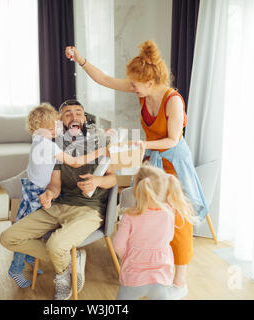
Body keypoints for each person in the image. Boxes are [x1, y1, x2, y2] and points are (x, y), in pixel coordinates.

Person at [66, 40, 208, 299]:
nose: (131, 88)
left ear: (150, 83)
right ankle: (153, 273)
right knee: (152, 216)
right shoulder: (141, 87)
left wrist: (143, 144)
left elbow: (173, 140)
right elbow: (106, 80)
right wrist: (80, 59)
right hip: (153, 161)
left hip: (175, 162)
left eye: (135, 85)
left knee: (179, 221)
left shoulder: (173, 101)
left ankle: (180, 282)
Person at [0, 99, 117, 300]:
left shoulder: (101, 142)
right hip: (58, 206)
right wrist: (48, 194)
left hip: (88, 210)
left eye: (78, 112)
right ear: (60, 122)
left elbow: (113, 178)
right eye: (68, 113)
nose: (74, 116)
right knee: (8, 237)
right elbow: (54, 185)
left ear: (85, 118)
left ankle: (63, 277)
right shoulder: (53, 147)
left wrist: (97, 181)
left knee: (56, 245)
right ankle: (71, 261)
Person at [113, 165, 198, 300]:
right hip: (161, 278)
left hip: (133, 278)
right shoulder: (170, 212)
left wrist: (127, 255)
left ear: (136, 190)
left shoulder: (129, 215)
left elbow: (118, 244)